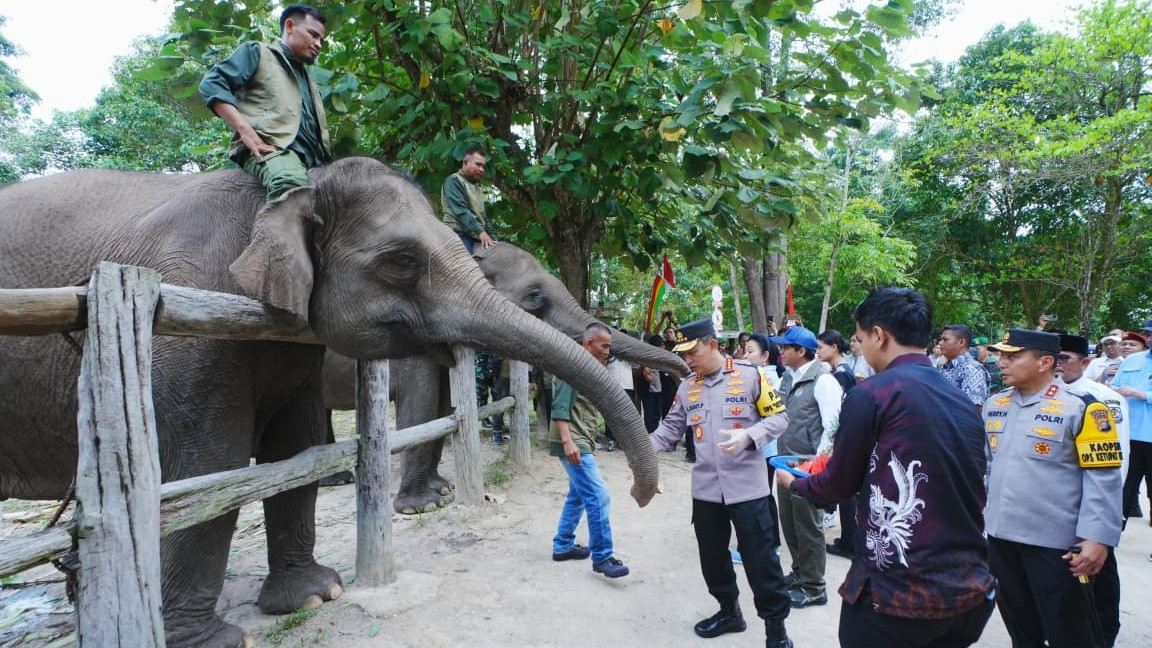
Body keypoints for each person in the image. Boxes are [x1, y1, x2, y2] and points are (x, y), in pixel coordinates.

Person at [778, 288, 995, 648]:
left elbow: (837, 486)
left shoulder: (874, 394)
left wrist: (795, 483)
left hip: (898, 593)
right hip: (968, 588)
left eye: (861, 339)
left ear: (878, 335)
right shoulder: (960, 399)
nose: (861, 349)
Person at [650, 319, 795, 648]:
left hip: (748, 490)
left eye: (693, 352)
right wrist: (642, 449)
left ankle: (776, 630)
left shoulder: (751, 376)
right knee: (713, 559)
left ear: (713, 344)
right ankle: (730, 612)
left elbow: (779, 418)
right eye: (683, 354)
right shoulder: (688, 387)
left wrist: (749, 435)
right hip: (706, 492)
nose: (688, 360)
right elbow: (670, 429)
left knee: (762, 562)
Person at [982, 329, 1122, 648]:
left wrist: (1097, 538)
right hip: (1002, 539)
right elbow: (988, 467)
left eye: (1013, 356)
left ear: (1045, 362)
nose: (1001, 362)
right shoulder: (995, 404)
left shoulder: (1084, 408)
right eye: (1001, 355)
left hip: (1056, 545)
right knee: (1021, 629)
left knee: (1069, 631)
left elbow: (1103, 479)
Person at [199, 5, 331, 203]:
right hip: (271, 150)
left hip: (314, 162)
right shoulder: (257, 52)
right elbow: (212, 83)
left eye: (321, 40)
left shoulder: (310, 80)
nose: (318, 44)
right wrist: (244, 129)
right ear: (289, 26)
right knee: (290, 184)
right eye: (313, 35)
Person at [1056, 333, 1129, 647]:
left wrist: (1102, 520)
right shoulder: (1044, 394)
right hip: (1055, 510)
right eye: (1053, 358)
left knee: (1098, 583)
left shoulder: (1102, 399)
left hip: (1092, 506)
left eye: (1065, 359)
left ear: (1085, 362)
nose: (1057, 366)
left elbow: (1115, 462)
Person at [768, 325, 842, 608]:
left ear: (801, 351)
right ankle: (800, 573)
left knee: (809, 527)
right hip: (786, 462)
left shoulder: (823, 381)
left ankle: (814, 587)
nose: (780, 351)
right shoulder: (788, 377)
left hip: (808, 468)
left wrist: (816, 467)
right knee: (790, 522)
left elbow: (832, 428)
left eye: (785, 347)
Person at [549, 322, 629, 578]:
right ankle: (603, 557)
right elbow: (560, 407)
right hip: (573, 442)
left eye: (609, 346)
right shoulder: (572, 367)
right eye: (604, 346)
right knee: (598, 496)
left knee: (578, 496)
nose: (607, 351)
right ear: (588, 343)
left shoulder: (586, 368)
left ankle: (563, 545)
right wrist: (568, 442)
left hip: (581, 441)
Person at [1112, 321, 1152, 523]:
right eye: (1148, 334)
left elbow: (1139, 393)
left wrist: (1143, 394)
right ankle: (1114, 531)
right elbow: (1114, 386)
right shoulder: (1132, 360)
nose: (1150, 338)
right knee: (1124, 487)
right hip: (1130, 434)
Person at [440, 148, 496, 254]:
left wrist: (493, 237)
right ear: (465, 162)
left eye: (483, 166)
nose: (481, 169)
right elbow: (461, 212)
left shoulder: (476, 186)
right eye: (478, 165)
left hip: (475, 234)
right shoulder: (453, 181)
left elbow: (483, 217)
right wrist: (481, 232)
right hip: (457, 234)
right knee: (465, 263)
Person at [937, 325, 989, 407]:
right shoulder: (942, 366)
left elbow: (974, 408)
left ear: (961, 342)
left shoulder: (972, 369)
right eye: (941, 339)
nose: (940, 343)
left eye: (945, 340)